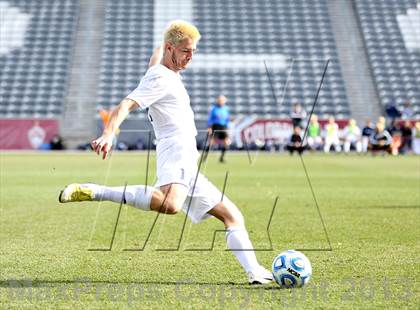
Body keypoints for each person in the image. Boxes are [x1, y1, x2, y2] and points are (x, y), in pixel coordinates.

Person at [58, 20, 273, 285]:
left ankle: (255, 272)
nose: (190, 56)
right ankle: (94, 190)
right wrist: (108, 134)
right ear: (171, 48)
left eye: (193, 51)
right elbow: (126, 104)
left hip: (188, 159)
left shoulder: (164, 69)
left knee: (232, 216)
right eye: (185, 51)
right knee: (170, 204)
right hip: (176, 149)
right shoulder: (160, 78)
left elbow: (157, 54)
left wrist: (173, 38)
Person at [206, 95, 231, 163]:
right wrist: (209, 127)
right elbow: (210, 119)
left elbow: (228, 119)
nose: (221, 102)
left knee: (226, 142)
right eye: (220, 100)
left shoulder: (226, 109)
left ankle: (221, 158)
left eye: (222, 100)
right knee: (211, 143)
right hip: (215, 126)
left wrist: (228, 126)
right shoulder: (214, 109)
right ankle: (205, 158)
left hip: (223, 127)